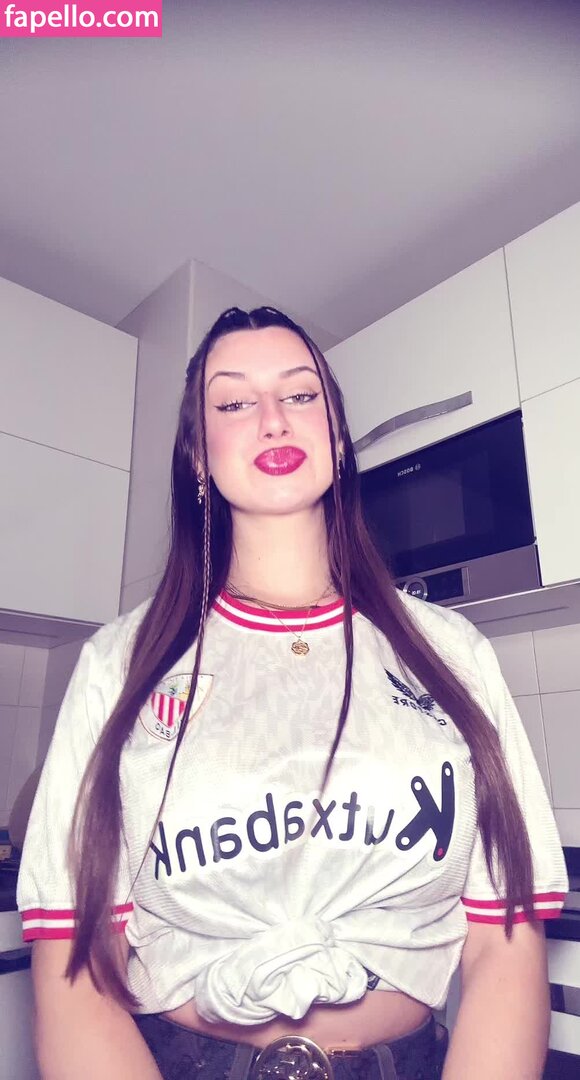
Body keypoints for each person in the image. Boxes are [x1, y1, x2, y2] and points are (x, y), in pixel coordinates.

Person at [18, 306, 568, 1080]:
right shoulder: (119, 664)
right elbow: (75, 972)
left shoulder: (453, 652)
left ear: (337, 440)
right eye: (234, 402)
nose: (273, 418)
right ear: (199, 456)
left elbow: (504, 944)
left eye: (301, 395)